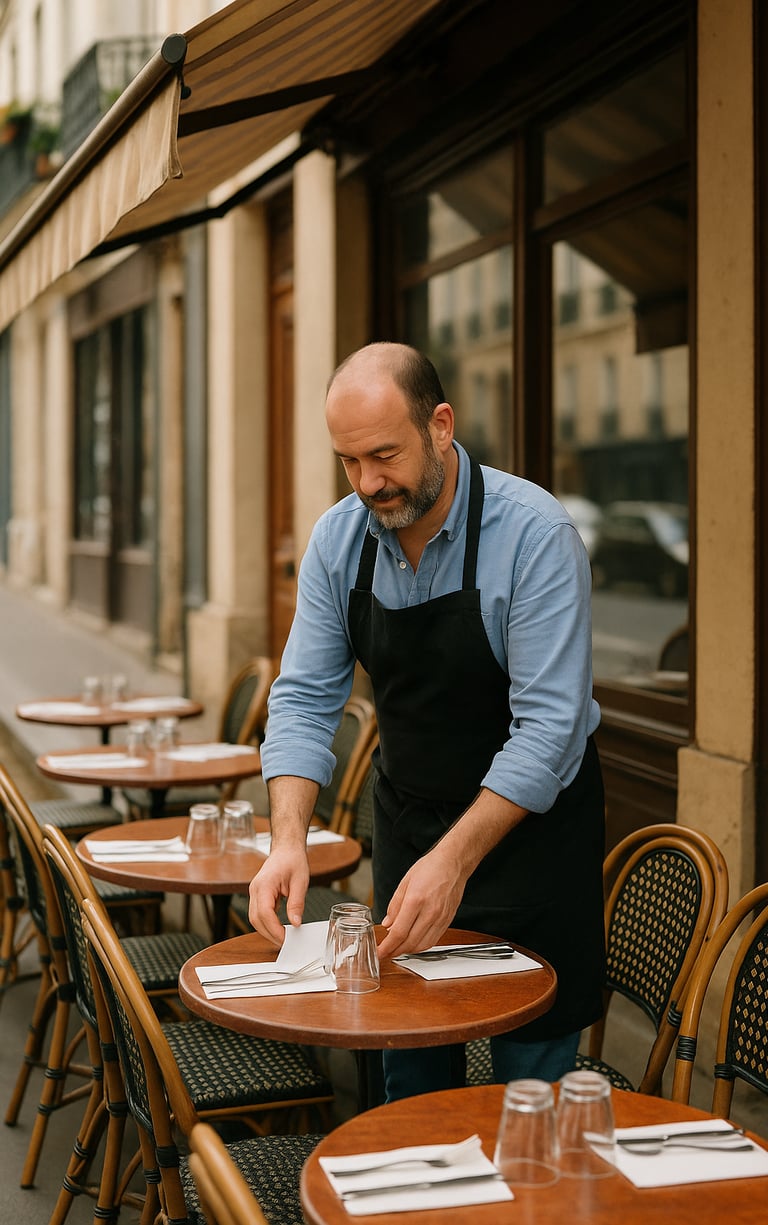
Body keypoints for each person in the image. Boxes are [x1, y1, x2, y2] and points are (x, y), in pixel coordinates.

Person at [249, 341, 606, 1101]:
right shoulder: (338, 540)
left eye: (384, 454)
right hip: (411, 828)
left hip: (531, 846)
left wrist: (456, 860)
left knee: (528, 1095)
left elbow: (549, 730)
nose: (368, 482)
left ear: (440, 426)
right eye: (349, 461)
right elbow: (306, 696)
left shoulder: (535, 534)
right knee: (407, 1072)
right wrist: (288, 839)